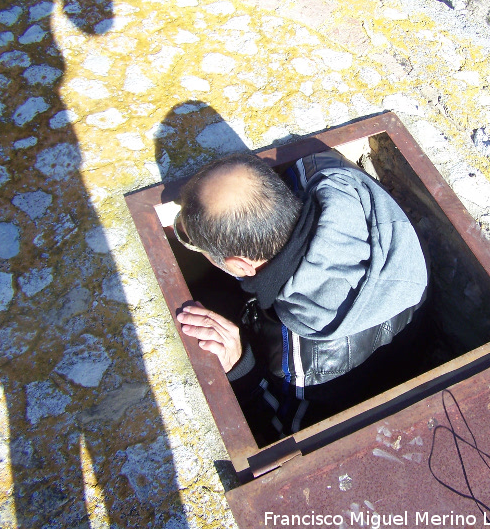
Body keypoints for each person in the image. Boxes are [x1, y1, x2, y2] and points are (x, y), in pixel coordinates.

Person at [173, 150, 428, 436]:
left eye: (196, 245)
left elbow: (287, 435)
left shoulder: (301, 367)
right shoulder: (345, 188)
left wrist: (240, 368)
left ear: (240, 266)